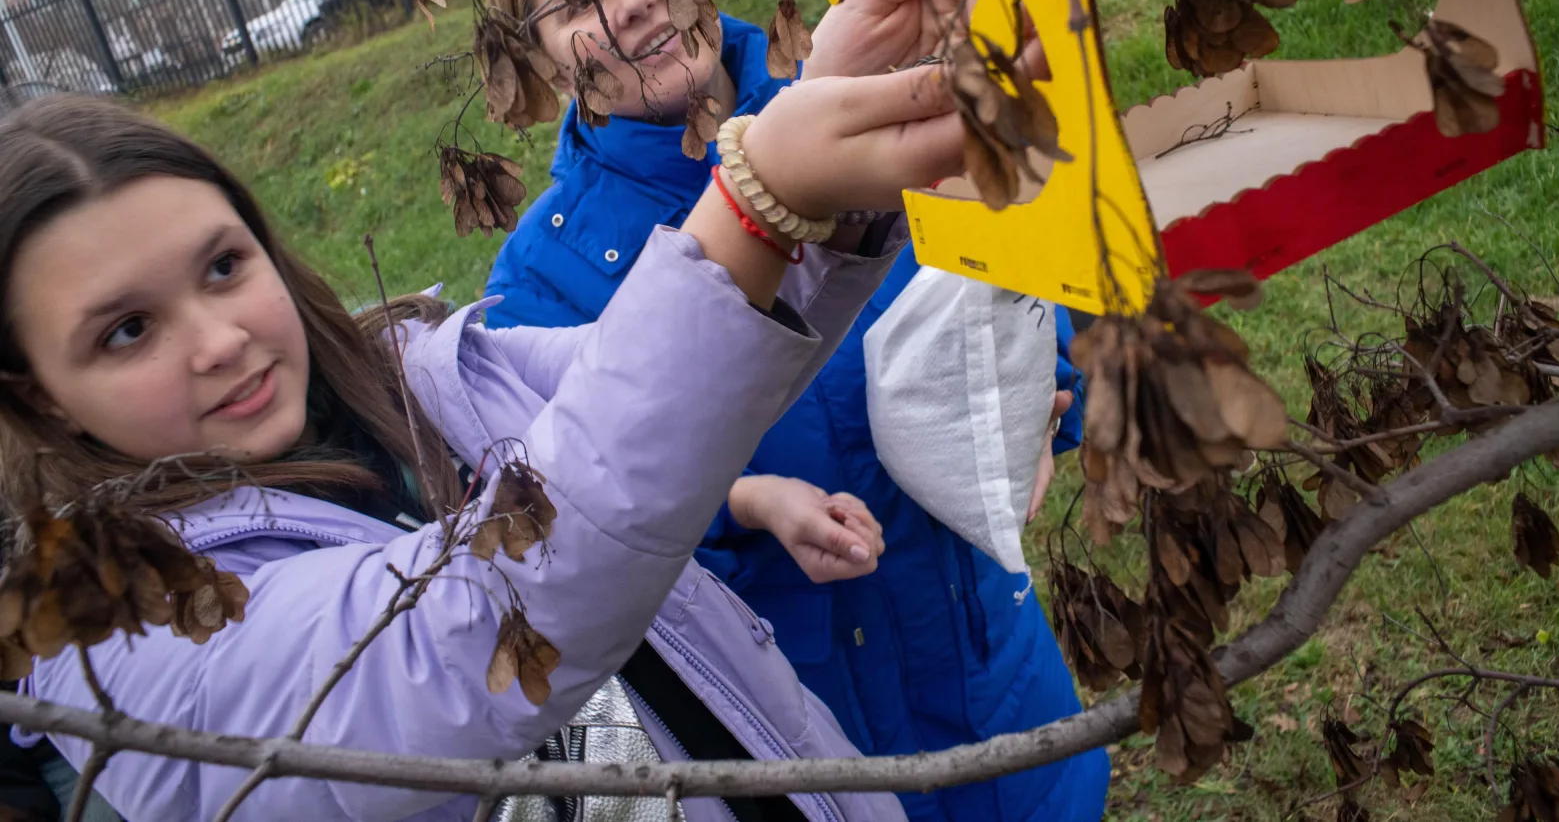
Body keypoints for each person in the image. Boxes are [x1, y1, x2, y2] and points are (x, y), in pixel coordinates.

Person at [0, 81, 963, 821]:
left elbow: (680, 376)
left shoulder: (415, 377)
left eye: (223, 265)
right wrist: (756, 199)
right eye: (126, 331)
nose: (217, 340)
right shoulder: (120, 639)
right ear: (39, 392)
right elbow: (469, 635)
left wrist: (838, 154)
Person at [478, 0, 1110, 822]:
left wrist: (1041, 397)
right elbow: (560, 522)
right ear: (543, 59)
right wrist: (739, 500)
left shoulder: (863, 98)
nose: (635, 0)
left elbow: (1004, 268)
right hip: (815, 736)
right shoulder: (540, 282)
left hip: (993, 688)